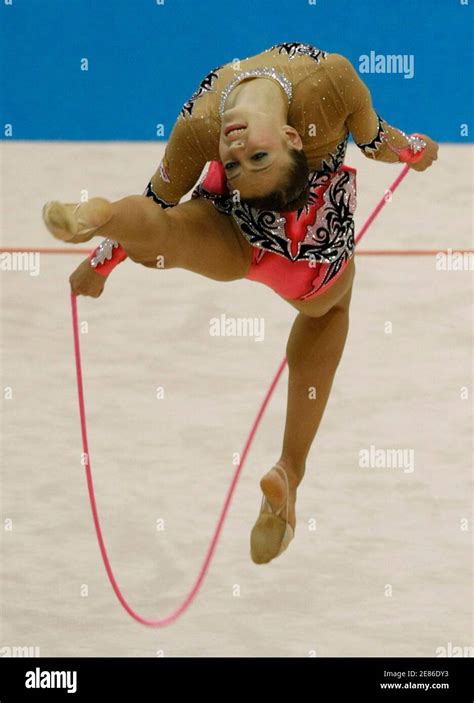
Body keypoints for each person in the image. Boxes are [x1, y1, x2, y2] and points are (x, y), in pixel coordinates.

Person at [42, 42, 438, 564]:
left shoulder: (203, 120)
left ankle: (105, 218)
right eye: (248, 159)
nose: (238, 148)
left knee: (164, 231)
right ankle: (289, 472)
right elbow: (376, 139)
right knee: (329, 312)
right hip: (297, 252)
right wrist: (414, 149)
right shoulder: (330, 81)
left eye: (246, 159)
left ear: (296, 137)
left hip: (259, 232)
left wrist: (104, 262)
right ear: (291, 137)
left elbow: (157, 201)